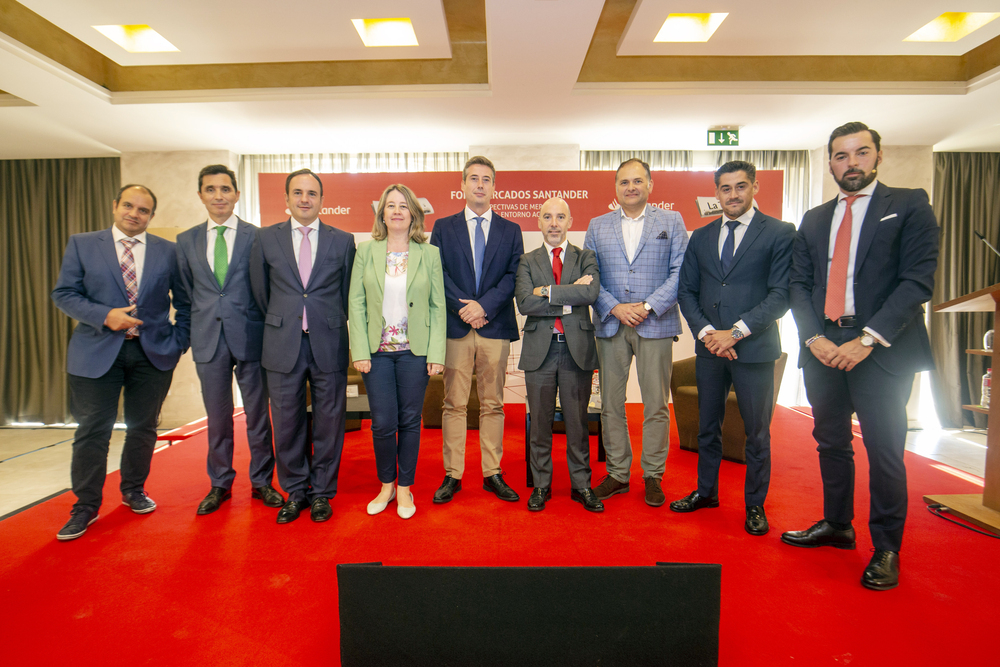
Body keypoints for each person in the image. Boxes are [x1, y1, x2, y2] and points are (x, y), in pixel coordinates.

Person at [783, 122, 939, 591]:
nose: (851, 163)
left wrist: (866, 339)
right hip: (824, 347)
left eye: (861, 153)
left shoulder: (908, 204)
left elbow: (917, 282)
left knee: (884, 449)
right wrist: (813, 338)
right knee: (830, 441)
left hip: (880, 351)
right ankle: (837, 524)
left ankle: (887, 546)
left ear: (878, 156)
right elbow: (799, 285)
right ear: (830, 162)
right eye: (841, 155)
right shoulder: (813, 218)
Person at [51, 184, 191, 540]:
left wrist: (178, 342)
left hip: (153, 353)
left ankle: (133, 490)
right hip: (96, 352)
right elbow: (64, 294)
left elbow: (186, 303)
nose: (134, 213)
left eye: (143, 210)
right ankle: (84, 507)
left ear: (151, 216)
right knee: (92, 432)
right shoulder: (83, 244)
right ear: (115, 206)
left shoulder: (168, 251)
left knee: (143, 428)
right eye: (128, 205)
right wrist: (104, 315)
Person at [670, 161, 795, 535]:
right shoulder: (702, 236)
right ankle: (706, 492)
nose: (733, 195)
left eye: (741, 186)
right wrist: (710, 333)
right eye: (725, 188)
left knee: (757, 432)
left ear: (754, 187)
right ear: (717, 193)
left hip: (754, 350)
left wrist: (735, 333)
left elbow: (781, 296)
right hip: (710, 350)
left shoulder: (779, 233)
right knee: (708, 427)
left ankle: (754, 505)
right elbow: (686, 291)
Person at [250, 169, 356, 524]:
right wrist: (285, 320)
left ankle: (323, 492)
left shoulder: (342, 240)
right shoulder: (265, 239)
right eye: (298, 193)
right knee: (286, 422)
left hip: (328, 341)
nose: (305, 199)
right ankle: (295, 492)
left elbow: (346, 294)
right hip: (281, 344)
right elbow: (260, 294)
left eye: (312, 193)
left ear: (322, 200)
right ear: (287, 199)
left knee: (329, 422)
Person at [176, 165, 282, 516]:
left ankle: (262, 481)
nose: (218, 195)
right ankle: (220, 483)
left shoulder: (258, 236)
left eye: (225, 189)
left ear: (237, 194)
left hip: (251, 338)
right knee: (218, 418)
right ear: (201, 195)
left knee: (257, 417)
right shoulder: (186, 240)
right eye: (210, 189)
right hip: (208, 340)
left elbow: (267, 289)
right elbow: (185, 296)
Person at [583, 158, 688, 507]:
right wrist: (614, 307)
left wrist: (647, 306)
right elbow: (590, 276)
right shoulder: (597, 226)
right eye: (624, 182)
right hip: (611, 323)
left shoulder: (671, 221)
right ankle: (617, 473)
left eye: (637, 181)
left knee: (656, 404)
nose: (631, 187)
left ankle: (653, 475)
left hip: (655, 323)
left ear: (650, 185)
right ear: (615, 188)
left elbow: (680, 273)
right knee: (611, 404)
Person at [429, 156, 524, 504]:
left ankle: (491, 473)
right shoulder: (443, 226)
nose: (480, 184)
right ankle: (453, 474)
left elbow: (513, 277)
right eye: (474, 178)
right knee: (453, 402)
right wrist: (465, 308)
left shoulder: (510, 230)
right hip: (456, 326)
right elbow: (438, 272)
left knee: (493, 404)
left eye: (486, 179)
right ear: (463, 185)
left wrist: (484, 307)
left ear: (494, 187)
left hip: (494, 325)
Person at [348, 184, 446, 519]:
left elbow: (437, 306)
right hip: (376, 352)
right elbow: (356, 303)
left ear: (414, 214)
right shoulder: (366, 250)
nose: (397, 211)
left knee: (409, 421)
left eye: (404, 206)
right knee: (383, 423)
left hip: (414, 352)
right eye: (390, 205)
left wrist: (436, 353)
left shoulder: (428, 253)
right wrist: (359, 348)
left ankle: (405, 487)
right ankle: (386, 485)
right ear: (382, 214)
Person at [515, 198, 604, 513]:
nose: (554, 223)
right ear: (538, 222)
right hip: (540, 350)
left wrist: (546, 290)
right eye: (547, 217)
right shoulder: (527, 260)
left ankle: (581, 486)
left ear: (570, 221)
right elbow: (525, 303)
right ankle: (542, 485)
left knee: (578, 424)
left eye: (560, 217)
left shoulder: (586, 257)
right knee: (539, 424)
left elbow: (590, 294)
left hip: (575, 349)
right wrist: (568, 295)